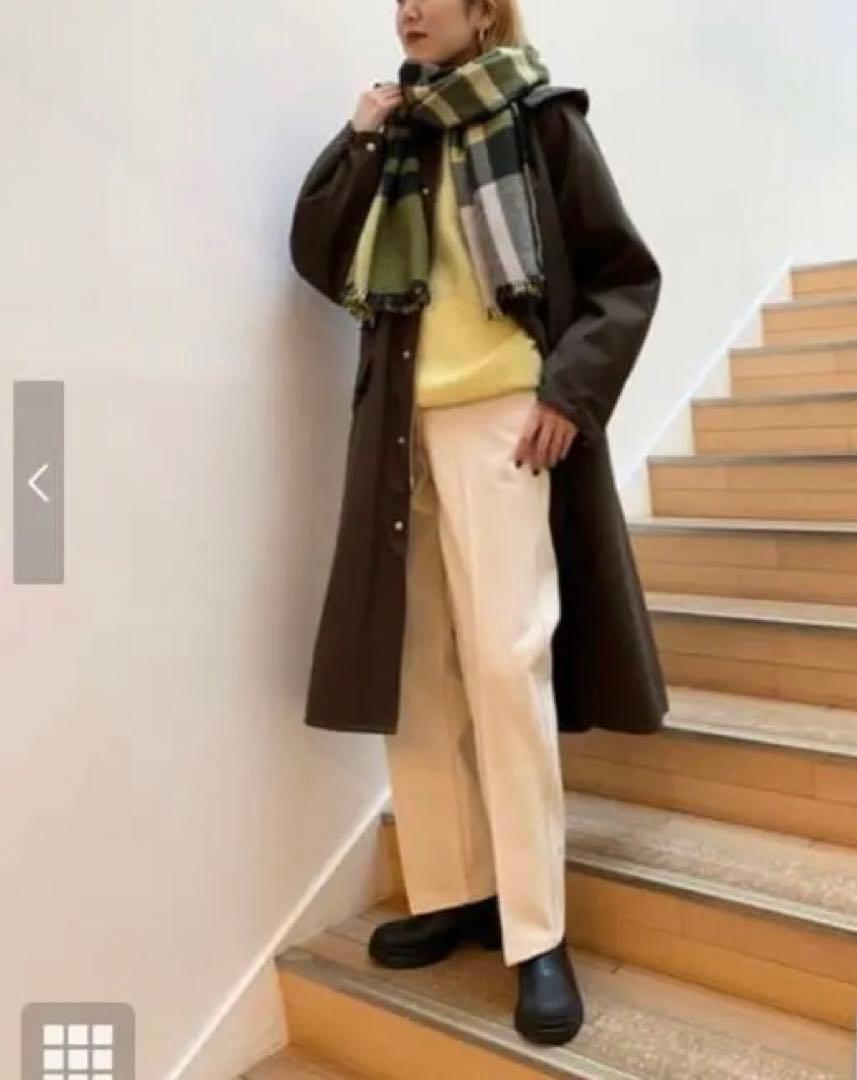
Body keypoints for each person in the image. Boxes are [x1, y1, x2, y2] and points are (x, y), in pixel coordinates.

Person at [289, 0, 666, 1049]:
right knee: (420, 666)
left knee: (505, 664)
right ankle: (454, 888)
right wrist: (360, 136)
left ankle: (536, 928)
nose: (408, 9)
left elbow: (624, 278)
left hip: (503, 422)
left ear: (483, 11)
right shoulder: (395, 131)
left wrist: (568, 395)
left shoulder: (539, 117)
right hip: (396, 430)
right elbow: (320, 254)